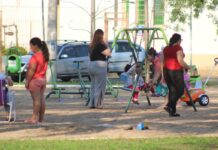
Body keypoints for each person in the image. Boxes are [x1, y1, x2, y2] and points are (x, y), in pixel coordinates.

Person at [163, 33, 190, 117]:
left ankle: (172, 111)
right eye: (180, 40)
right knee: (180, 90)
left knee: (172, 91)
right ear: (178, 40)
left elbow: (163, 61)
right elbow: (181, 61)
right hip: (175, 71)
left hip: (166, 70)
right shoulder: (178, 48)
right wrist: (188, 67)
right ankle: (169, 105)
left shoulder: (166, 48)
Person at [24, 37, 49, 124]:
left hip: (35, 80)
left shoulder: (35, 57)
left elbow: (31, 71)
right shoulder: (45, 55)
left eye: (31, 46)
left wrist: (27, 81)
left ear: (35, 46)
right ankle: (40, 119)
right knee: (41, 100)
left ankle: (34, 118)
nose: (30, 48)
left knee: (36, 100)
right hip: (43, 79)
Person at [88, 29, 111, 109]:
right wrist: (107, 46)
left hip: (91, 65)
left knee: (93, 85)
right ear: (101, 36)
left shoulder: (91, 45)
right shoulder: (101, 44)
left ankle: (92, 103)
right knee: (100, 86)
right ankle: (98, 104)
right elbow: (108, 53)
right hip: (100, 65)